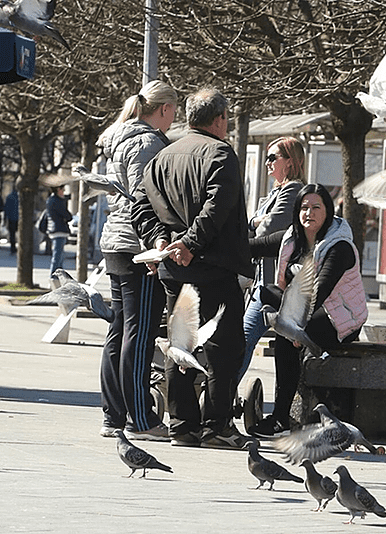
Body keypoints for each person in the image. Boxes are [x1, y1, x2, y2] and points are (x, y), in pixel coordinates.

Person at [132, 87, 254, 450]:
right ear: (219, 120)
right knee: (224, 348)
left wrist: (159, 241)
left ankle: (182, 425)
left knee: (179, 344)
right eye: (227, 119)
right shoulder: (221, 153)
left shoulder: (162, 156)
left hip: (173, 267)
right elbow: (218, 207)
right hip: (212, 265)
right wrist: (190, 244)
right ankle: (216, 426)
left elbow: (139, 206)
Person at [91, 80, 178, 441]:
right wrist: (155, 245)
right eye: (174, 110)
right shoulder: (148, 142)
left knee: (120, 331)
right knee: (139, 334)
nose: (175, 118)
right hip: (137, 245)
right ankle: (140, 419)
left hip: (116, 241)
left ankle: (114, 415)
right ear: (162, 109)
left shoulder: (121, 137)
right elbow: (147, 200)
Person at [247, 183, 368, 437]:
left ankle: (280, 418)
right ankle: (280, 416)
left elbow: (319, 291)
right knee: (268, 293)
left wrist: (296, 329)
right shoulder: (292, 240)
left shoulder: (339, 247)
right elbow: (252, 246)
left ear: (328, 211)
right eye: (303, 207)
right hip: (304, 314)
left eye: (316, 207)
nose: (308, 213)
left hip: (340, 322)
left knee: (284, 329)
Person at [238, 137, 306, 387]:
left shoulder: (293, 189)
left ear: (290, 162)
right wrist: (255, 222)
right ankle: (222, 402)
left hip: (277, 285)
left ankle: (222, 403)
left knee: (250, 342)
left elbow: (267, 230)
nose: (267, 163)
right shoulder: (275, 191)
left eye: (272, 157)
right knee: (245, 342)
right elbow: (251, 228)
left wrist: (255, 222)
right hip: (262, 282)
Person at [46, 184, 73, 275]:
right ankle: (53, 277)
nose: (64, 192)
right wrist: (63, 200)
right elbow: (67, 216)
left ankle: (57, 277)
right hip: (59, 230)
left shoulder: (51, 200)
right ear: (58, 189)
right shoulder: (57, 201)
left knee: (59, 256)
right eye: (63, 189)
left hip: (55, 229)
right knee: (58, 257)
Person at [5, 183, 19, 253]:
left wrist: (5, 219)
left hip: (11, 218)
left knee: (12, 234)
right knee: (20, 233)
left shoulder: (9, 197)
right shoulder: (20, 197)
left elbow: (6, 209)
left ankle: (13, 247)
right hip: (19, 218)